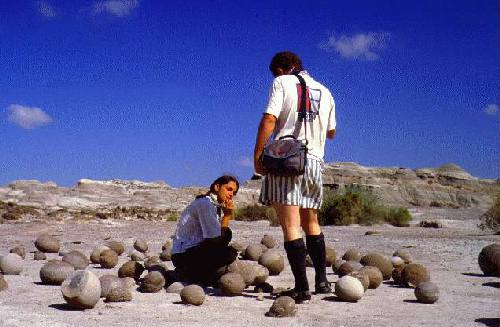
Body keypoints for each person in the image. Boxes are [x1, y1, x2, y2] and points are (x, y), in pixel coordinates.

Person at [253, 51, 336, 303]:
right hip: (313, 161)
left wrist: (257, 155)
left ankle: (301, 287)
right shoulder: (326, 91)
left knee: (290, 224)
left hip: (287, 158)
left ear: (281, 69)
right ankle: (321, 281)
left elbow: (269, 118)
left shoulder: (281, 82)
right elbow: (331, 132)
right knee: (311, 221)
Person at [171, 175, 239, 286]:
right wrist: (227, 216)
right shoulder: (205, 204)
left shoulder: (213, 205)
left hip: (192, 251)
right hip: (183, 255)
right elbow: (216, 239)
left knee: (227, 246)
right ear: (217, 187)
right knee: (228, 247)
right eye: (229, 189)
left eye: (234, 192)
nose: (231, 194)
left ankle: (198, 275)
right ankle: (190, 274)